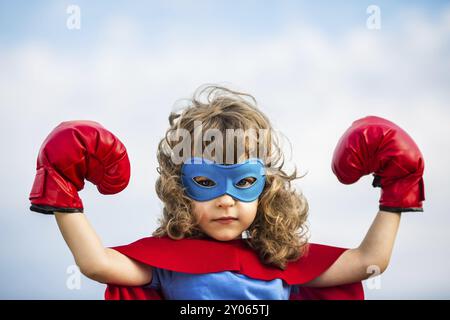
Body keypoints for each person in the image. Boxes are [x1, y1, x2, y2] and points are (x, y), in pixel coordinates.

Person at [28, 85, 425, 300]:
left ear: (265, 189)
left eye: (244, 181)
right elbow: (97, 264)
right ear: (180, 190)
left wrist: (398, 189)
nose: (226, 199)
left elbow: (368, 263)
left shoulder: (283, 266)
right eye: (206, 182)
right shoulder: (167, 265)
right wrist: (61, 189)